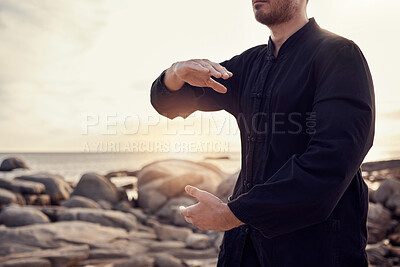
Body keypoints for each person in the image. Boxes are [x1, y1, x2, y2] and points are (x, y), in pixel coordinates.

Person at [150, 0, 375, 266]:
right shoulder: (249, 65)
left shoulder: (339, 54)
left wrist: (232, 214)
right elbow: (168, 103)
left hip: (315, 250)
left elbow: (332, 160)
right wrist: (176, 72)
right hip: (242, 251)